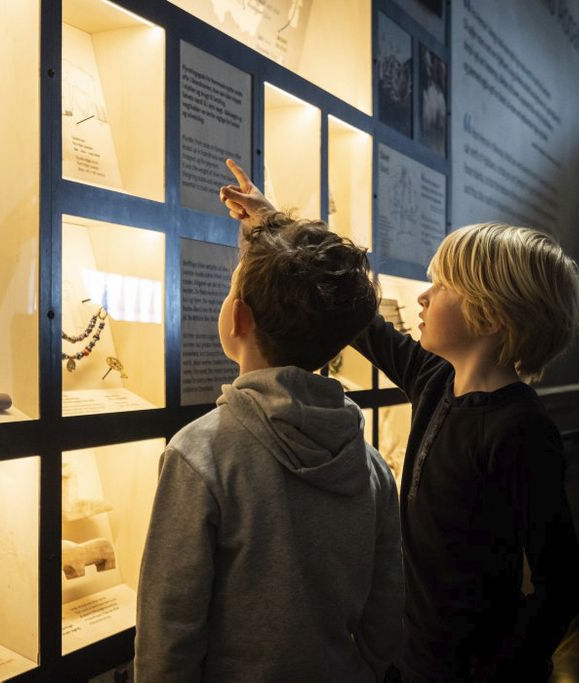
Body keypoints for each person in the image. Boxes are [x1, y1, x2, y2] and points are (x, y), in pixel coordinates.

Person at [220, 159, 579, 681]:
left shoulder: (520, 430)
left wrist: (502, 668)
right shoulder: (435, 380)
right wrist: (271, 226)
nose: (423, 294)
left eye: (440, 285)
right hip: (411, 655)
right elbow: (361, 321)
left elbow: (561, 583)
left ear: (491, 313)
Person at [134, 211, 404, 680]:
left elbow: (168, 633)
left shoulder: (198, 455)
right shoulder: (372, 466)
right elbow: (385, 623)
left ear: (238, 317)